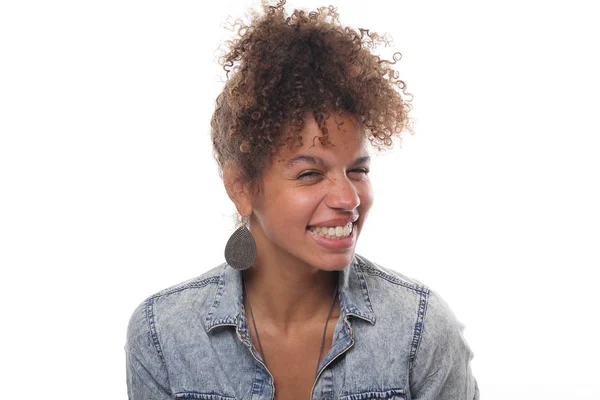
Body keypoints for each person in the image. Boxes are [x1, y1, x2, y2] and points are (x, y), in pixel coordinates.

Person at [125, 1, 479, 399]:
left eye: (358, 171)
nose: (348, 198)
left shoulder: (420, 329)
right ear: (241, 187)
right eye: (310, 174)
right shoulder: (162, 335)